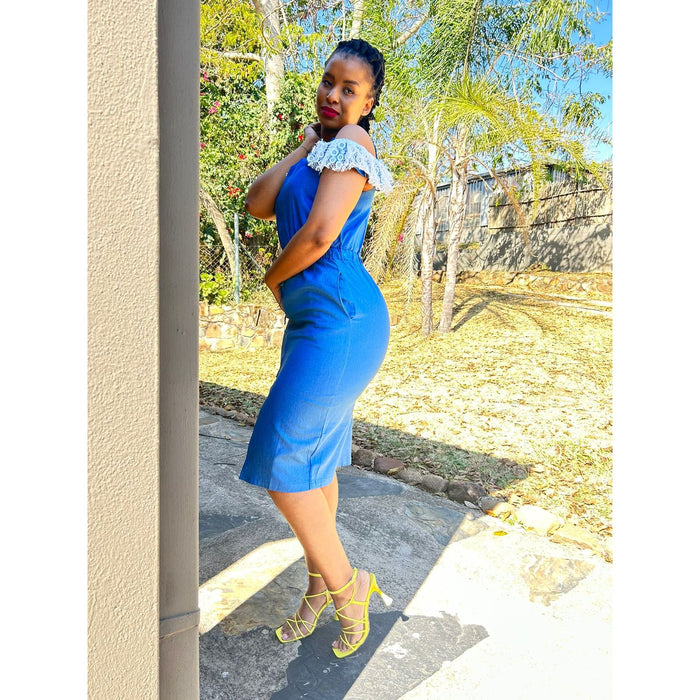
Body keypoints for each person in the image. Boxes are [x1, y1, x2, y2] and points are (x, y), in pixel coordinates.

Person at [239, 38, 394, 659]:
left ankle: (349, 586)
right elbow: (257, 202)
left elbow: (321, 234)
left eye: (349, 89)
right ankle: (317, 588)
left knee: (283, 462)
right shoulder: (321, 151)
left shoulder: (354, 144)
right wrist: (303, 145)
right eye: (329, 81)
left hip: (341, 320)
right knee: (315, 467)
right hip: (314, 323)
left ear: (369, 103)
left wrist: (271, 279)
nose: (333, 94)